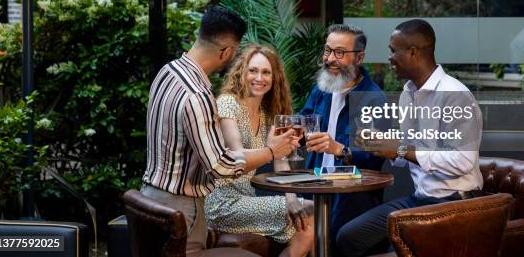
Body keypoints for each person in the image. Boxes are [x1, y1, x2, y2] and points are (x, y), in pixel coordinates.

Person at [141, 6, 299, 254]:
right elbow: (221, 166)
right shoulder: (198, 95)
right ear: (227, 51)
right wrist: (271, 151)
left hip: (150, 198)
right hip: (182, 206)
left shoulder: (167, 72)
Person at [336, 19, 483, 257]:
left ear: (413, 52)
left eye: (393, 51)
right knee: (350, 237)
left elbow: (462, 161)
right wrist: (381, 145)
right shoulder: (408, 94)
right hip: (420, 200)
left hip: (455, 203)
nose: (389, 57)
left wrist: (400, 149)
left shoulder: (455, 95)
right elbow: (409, 151)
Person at [204, 44, 314, 257]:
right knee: (309, 217)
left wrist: (291, 198)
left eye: (266, 72)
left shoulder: (267, 114)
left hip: (247, 199)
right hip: (222, 203)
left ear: (274, 79)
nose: (259, 77)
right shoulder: (228, 104)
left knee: (307, 216)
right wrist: (271, 149)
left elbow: (280, 159)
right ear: (242, 73)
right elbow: (237, 157)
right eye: (253, 70)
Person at [300, 24, 385, 247]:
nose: (330, 59)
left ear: (359, 57)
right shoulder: (321, 89)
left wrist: (338, 148)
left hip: (351, 198)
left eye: (340, 53)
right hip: (314, 190)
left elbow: (374, 157)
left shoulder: (373, 99)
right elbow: (304, 121)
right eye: (328, 50)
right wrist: (291, 130)